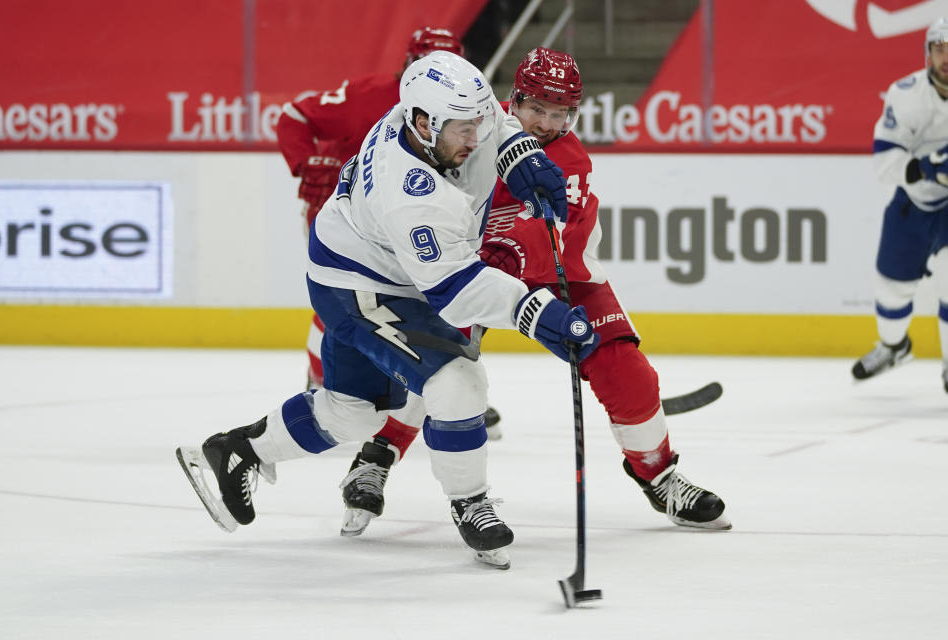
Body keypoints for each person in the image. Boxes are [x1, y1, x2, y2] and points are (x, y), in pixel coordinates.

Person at [177, 51, 597, 570]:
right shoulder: (412, 195)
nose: (474, 139)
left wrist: (521, 153)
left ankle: (240, 450)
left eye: (476, 125)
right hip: (366, 287)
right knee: (458, 381)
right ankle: (471, 502)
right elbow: (455, 290)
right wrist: (540, 313)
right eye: (462, 131)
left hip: (349, 265)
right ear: (422, 123)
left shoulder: (443, 103)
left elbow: (496, 122)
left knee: (353, 412)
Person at [338, 47, 731, 538]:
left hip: (563, 277)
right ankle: (378, 455)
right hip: (470, 273)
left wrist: (515, 254)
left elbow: (552, 244)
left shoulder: (570, 160)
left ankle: (660, 475)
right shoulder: (470, 134)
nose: (546, 123)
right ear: (513, 101)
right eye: (536, 110)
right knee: (439, 363)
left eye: (559, 113)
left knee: (627, 374)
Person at [276, 27, 503, 436]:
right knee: (350, 300)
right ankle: (324, 382)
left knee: (432, 295)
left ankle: (444, 392)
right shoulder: (369, 95)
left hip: (412, 217)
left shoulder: (464, 112)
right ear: (406, 66)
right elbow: (294, 116)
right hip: (350, 219)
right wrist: (307, 162)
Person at [852, 16, 948, 406]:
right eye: (940, 49)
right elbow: (885, 160)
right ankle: (895, 346)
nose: (947, 58)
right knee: (890, 286)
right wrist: (928, 166)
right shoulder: (906, 93)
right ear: (928, 54)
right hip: (913, 200)